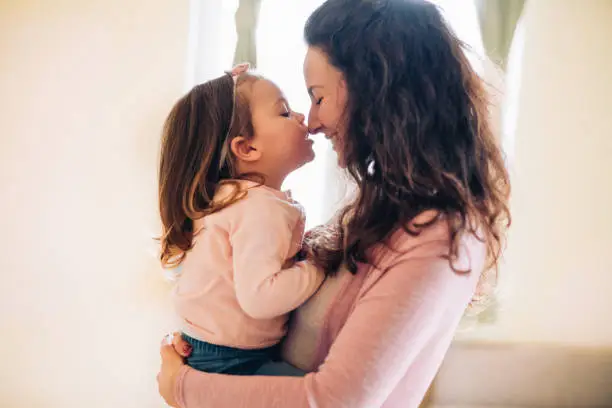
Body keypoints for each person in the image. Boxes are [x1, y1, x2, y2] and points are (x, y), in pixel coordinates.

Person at [158, 0, 511, 406]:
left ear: (377, 93)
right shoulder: (383, 209)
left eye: (318, 97)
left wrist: (182, 385)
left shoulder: (436, 237)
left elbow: (334, 400)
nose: (310, 121)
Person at [157, 63, 324, 375]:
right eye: (285, 112)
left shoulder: (233, 199)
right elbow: (261, 298)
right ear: (247, 147)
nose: (302, 117)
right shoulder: (258, 207)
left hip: (209, 352)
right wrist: (319, 266)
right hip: (231, 362)